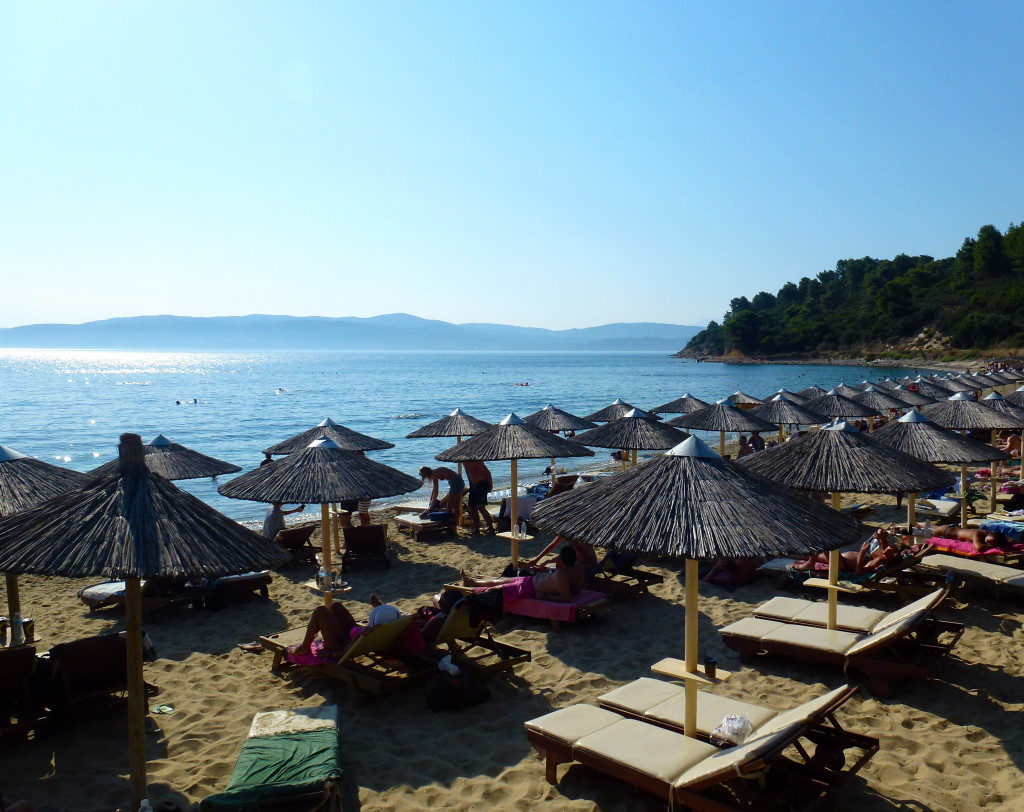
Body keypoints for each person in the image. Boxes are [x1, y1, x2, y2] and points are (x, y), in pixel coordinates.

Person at [293, 594, 405, 659]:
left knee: (320, 611)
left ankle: (305, 647)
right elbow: (384, 619)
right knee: (336, 606)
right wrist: (379, 608)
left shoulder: (367, 633)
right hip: (353, 637)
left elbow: (345, 652)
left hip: (339, 646)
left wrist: (328, 654)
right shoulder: (393, 625)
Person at [461, 545, 585, 603]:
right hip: (530, 581)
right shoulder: (579, 568)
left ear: (562, 560)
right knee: (503, 579)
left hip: (529, 589)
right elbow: (575, 590)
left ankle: (473, 587)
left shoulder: (562, 574)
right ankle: (472, 582)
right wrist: (549, 561)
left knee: (497, 589)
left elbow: (566, 598)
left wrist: (545, 596)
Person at [790, 534, 896, 574]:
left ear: (893, 556)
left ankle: (809, 564)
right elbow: (885, 545)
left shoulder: (880, 560)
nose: (887, 550)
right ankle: (787, 554)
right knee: (812, 553)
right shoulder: (885, 554)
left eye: (890, 551)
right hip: (842, 559)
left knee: (824, 545)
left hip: (842, 565)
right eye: (889, 548)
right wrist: (881, 535)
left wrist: (862, 553)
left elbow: (858, 572)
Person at [525, 536, 600, 580]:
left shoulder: (580, 538)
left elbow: (568, 557)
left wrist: (548, 562)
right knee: (552, 569)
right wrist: (537, 559)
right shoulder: (566, 533)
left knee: (559, 571)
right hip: (574, 564)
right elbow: (552, 545)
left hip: (588, 567)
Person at [904, 522, 1011, 553]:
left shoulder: (987, 533)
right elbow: (979, 547)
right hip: (946, 531)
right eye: (989, 542)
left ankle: (915, 522)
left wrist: (1000, 543)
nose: (988, 543)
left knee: (931, 527)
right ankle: (904, 526)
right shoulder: (977, 535)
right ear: (990, 535)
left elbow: (1008, 540)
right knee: (926, 531)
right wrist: (992, 547)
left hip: (950, 528)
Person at [463, 460, 495, 535]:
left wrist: (490, 486)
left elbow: (487, 473)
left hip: (482, 484)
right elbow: (468, 472)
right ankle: (477, 529)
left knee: (481, 507)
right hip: (473, 485)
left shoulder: (477, 461)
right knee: (472, 507)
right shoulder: (463, 461)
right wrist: (471, 484)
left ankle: (491, 528)